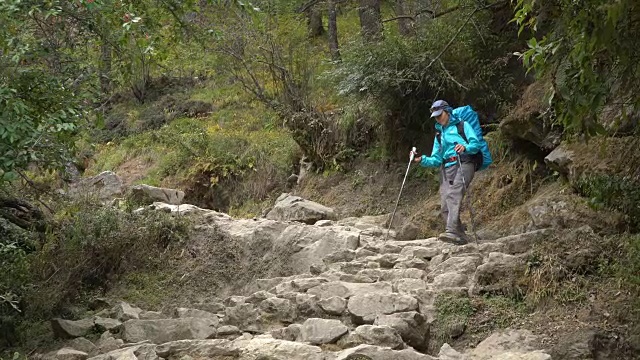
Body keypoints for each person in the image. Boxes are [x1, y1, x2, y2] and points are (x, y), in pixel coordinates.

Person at [413, 100, 481, 244]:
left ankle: (450, 231)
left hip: (465, 162)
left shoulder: (462, 125)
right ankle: (460, 236)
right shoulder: (439, 135)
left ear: (447, 111)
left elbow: (476, 144)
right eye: (435, 116)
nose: (438, 118)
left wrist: (465, 147)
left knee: (454, 194)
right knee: (445, 204)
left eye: (440, 114)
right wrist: (422, 160)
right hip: (446, 168)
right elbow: (437, 159)